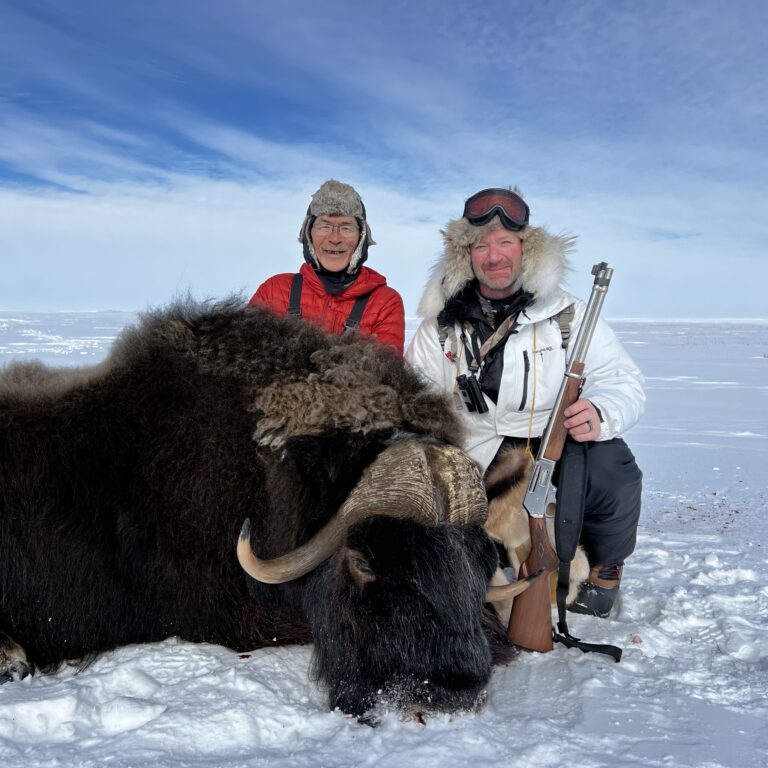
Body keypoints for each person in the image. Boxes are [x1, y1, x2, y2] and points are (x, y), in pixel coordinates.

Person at [405, 187, 645, 618]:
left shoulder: (568, 314)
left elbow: (622, 379)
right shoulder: (438, 328)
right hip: (478, 452)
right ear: (466, 255)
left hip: (557, 441)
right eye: (481, 245)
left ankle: (604, 572)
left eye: (504, 242)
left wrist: (601, 410)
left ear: (525, 248)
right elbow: (416, 401)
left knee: (614, 467)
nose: (494, 256)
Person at [250, 179, 405, 353]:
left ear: (361, 238)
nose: (335, 238)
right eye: (324, 226)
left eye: (346, 228)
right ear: (309, 234)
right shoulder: (273, 290)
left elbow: (386, 374)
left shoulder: (385, 302)